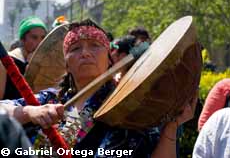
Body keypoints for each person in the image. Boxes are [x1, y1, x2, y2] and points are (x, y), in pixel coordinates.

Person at [0, 19, 196, 158]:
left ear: (109, 59)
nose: (85, 53)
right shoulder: (49, 100)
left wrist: (172, 126)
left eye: (94, 46)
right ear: (66, 64)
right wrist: (29, 111)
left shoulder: (130, 107)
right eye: (75, 49)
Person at [0, 16, 47, 100]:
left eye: (43, 38)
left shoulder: (44, 62)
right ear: (22, 39)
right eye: (34, 37)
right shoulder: (6, 62)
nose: (40, 42)